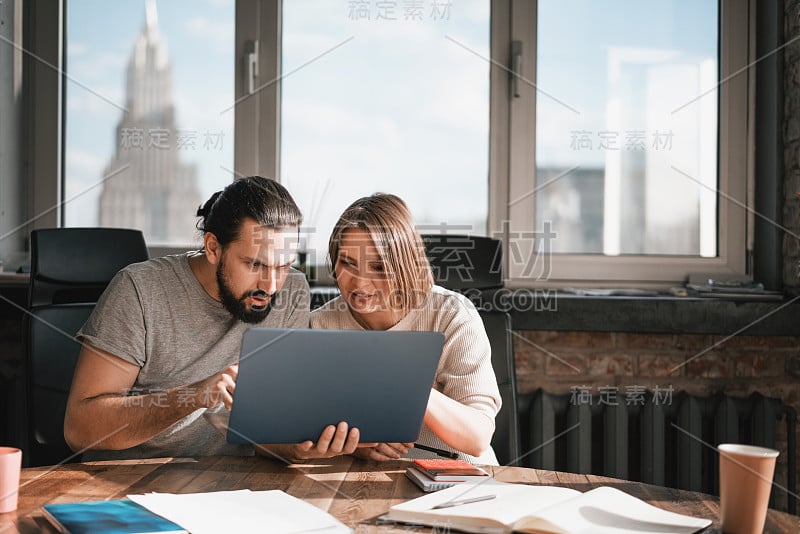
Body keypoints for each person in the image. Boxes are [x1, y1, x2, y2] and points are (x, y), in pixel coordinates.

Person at [64, 176, 360, 461]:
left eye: (283, 265)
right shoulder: (139, 289)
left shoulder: (292, 289)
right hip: (131, 482)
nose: (270, 286)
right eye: (255, 264)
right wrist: (196, 395)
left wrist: (296, 448)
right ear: (213, 248)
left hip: (231, 484)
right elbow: (79, 428)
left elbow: (267, 431)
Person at [311, 193, 501, 465]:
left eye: (378, 267)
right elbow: (310, 425)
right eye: (347, 263)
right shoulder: (320, 325)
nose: (360, 284)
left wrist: (408, 386)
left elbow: (477, 437)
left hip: (457, 479)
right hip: (366, 480)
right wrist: (354, 446)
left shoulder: (453, 315)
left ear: (403, 264)